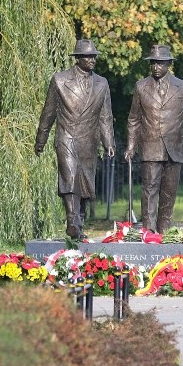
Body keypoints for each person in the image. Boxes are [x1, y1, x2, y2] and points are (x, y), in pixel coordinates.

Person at [35, 39, 116, 239]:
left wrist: (109, 143)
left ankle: (79, 223)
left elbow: (105, 116)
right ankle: (72, 219)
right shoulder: (60, 80)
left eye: (94, 56)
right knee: (69, 177)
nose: (92, 60)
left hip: (89, 139)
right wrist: (41, 140)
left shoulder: (102, 83)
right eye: (88, 56)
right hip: (66, 136)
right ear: (78, 58)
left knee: (85, 184)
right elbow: (48, 113)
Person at [125, 44, 183, 234]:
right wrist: (130, 145)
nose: (156, 67)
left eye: (160, 63)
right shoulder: (141, 86)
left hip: (174, 147)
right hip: (150, 145)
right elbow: (134, 119)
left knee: (169, 192)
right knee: (149, 189)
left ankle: (164, 229)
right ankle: (149, 230)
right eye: (153, 62)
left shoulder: (182, 86)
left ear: (169, 63)